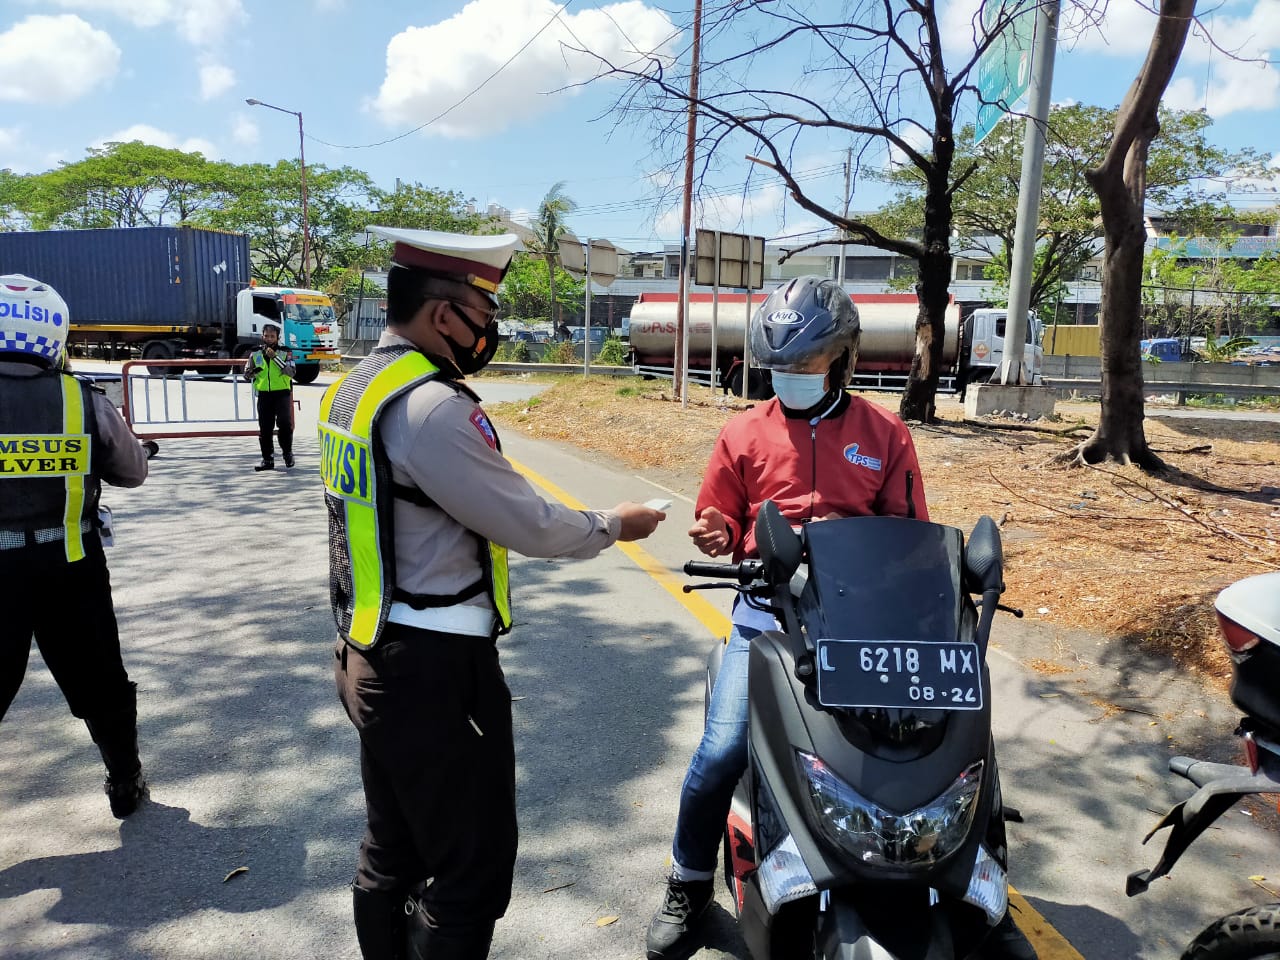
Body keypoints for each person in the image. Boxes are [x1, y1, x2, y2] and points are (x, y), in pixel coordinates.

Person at [645, 276, 1035, 960]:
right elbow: (721, 519)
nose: (790, 379)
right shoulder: (742, 432)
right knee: (721, 752)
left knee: (957, 747)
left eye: (804, 366)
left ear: (841, 360)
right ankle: (687, 882)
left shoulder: (883, 433)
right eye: (779, 369)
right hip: (768, 621)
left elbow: (911, 535)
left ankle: (982, 884)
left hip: (868, 628)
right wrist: (715, 534)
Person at [320, 226, 667, 960]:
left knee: (393, 847)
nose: (490, 329)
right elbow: (527, 521)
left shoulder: (353, 388)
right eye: (482, 311)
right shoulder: (432, 407)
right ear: (443, 314)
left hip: (368, 651)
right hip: (435, 672)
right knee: (471, 871)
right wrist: (616, 523)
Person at [0, 273, 150, 819]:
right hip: (71, 566)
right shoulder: (81, 399)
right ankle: (124, 781)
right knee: (99, 681)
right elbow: (132, 472)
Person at [244, 319, 295, 471]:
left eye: (272, 336)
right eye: (266, 336)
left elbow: (291, 372)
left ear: (277, 337)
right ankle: (267, 459)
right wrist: (251, 373)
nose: (269, 339)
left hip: (282, 393)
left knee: (284, 424)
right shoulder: (255, 352)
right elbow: (246, 374)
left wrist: (275, 358)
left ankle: (287, 454)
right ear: (262, 336)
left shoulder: (285, 352)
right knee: (265, 428)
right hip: (264, 394)